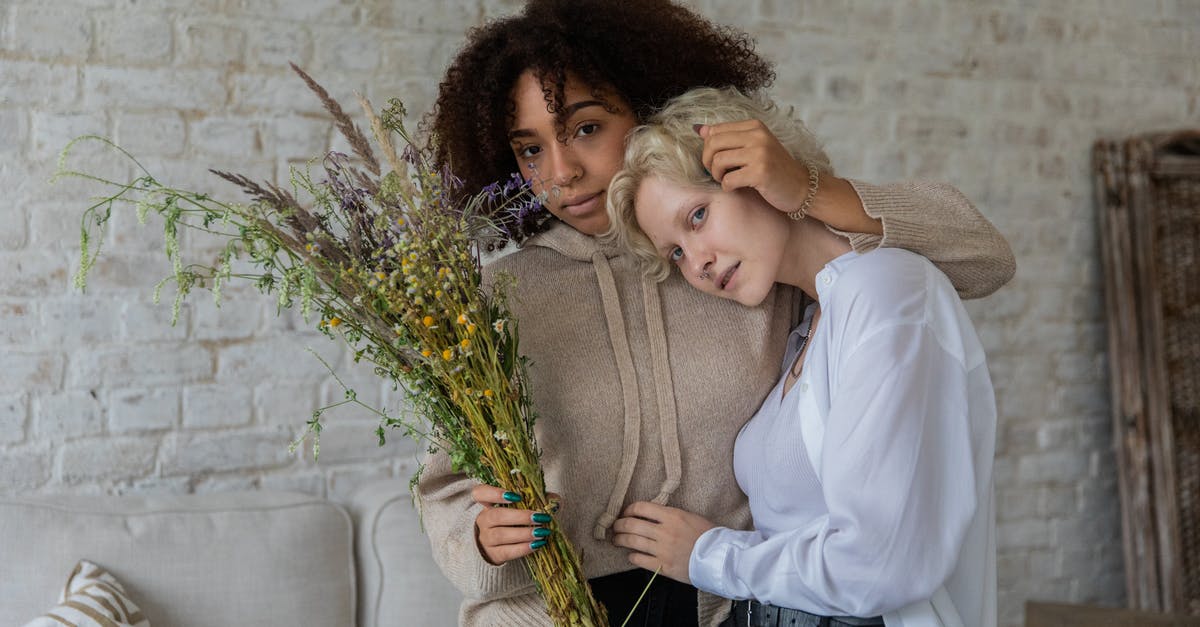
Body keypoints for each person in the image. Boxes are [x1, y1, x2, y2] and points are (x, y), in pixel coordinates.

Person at [415, 1, 1013, 625]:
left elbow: (982, 259)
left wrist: (808, 186)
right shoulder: (497, 297)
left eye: (586, 128)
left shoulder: (743, 250)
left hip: (726, 605)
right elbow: (443, 489)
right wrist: (483, 538)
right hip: (547, 612)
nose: (561, 172)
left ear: (644, 106)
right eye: (530, 150)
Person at [605, 86, 995, 627]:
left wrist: (708, 556)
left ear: (752, 174)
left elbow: (881, 563)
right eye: (675, 252)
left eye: (697, 217)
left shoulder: (886, 292)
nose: (696, 262)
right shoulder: (810, 325)